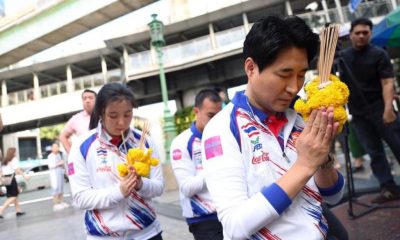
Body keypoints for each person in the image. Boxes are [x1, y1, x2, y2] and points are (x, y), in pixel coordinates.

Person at [201, 16, 345, 239]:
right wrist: (305, 164)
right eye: (284, 74)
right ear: (251, 67)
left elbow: (334, 198)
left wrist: (323, 158)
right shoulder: (222, 129)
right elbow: (235, 226)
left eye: (301, 75)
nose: (294, 87)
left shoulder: (301, 115)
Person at [68, 82, 164, 240]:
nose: (122, 122)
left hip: (148, 234)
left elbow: (159, 187)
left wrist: (140, 185)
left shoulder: (144, 141)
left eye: (127, 114)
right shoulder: (82, 146)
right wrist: (119, 192)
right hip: (103, 236)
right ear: (100, 113)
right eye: (113, 116)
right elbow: (81, 198)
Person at [339, 17, 400, 203]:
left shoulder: (379, 54)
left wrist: (388, 109)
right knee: (374, 152)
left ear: (370, 34)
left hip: (381, 108)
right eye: (357, 32)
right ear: (350, 35)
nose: (361, 36)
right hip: (359, 114)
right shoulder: (343, 57)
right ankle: (389, 188)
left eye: (365, 32)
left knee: (398, 145)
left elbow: (388, 82)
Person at [170, 89, 223, 240]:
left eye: (218, 116)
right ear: (196, 111)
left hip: (230, 211)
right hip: (204, 219)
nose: (215, 121)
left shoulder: (225, 136)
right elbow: (186, 188)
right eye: (210, 116)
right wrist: (216, 167)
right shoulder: (181, 143)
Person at [59, 89, 96, 153]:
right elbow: (62, 136)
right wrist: (71, 154)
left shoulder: (105, 115)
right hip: (87, 158)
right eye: (84, 99)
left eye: (90, 98)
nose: (87, 100)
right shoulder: (76, 119)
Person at [0, 147, 29, 219]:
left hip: (6, 179)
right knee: (13, 196)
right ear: (13, 153)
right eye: (15, 152)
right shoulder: (14, 159)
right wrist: (25, 176)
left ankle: (18, 211)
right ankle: (1, 210)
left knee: (15, 195)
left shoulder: (4, 160)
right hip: (11, 178)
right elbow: (17, 170)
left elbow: (1, 172)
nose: (16, 153)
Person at [48, 142, 68, 211]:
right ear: (52, 148)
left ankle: (61, 202)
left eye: (57, 147)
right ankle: (56, 204)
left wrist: (64, 169)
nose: (55, 148)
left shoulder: (60, 155)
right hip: (54, 174)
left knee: (61, 187)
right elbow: (51, 165)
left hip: (60, 173)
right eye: (54, 147)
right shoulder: (50, 156)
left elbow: (63, 163)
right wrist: (59, 163)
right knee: (55, 188)